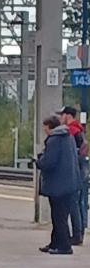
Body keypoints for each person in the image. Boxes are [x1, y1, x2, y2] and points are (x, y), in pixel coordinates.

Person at [36, 115, 80, 255]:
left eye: (44, 126)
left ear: (49, 127)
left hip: (58, 185)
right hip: (69, 183)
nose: (43, 129)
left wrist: (38, 161)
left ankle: (64, 246)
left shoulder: (54, 140)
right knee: (59, 215)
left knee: (59, 216)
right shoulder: (68, 137)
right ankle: (55, 242)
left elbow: (49, 163)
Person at [58, 105, 88, 244]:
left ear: (68, 116)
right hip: (82, 170)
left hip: (74, 171)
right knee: (79, 202)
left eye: (62, 115)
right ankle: (80, 232)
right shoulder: (80, 131)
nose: (60, 118)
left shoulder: (71, 131)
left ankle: (76, 235)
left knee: (73, 203)